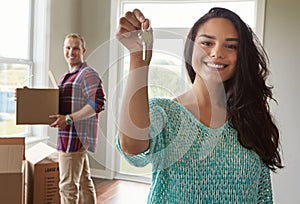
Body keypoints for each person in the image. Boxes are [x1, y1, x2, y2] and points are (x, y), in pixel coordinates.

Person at [115, 8, 283, 203]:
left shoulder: (251, 119)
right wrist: (138, 59)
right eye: (207, 43)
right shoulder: (165, 113)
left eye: (231, 46)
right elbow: (131, 145)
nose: (216, 52)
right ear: (190, 48)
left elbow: (262, 196)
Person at [49, 33, 106, 204]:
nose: (71, 52)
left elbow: (98, 104)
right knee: (83, 181)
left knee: (67, 186)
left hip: (74, 138)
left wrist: (68, 119)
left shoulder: (88, 74)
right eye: (68, 48)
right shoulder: (67, 76)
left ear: (83, 51)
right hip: (69, 137)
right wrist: (28, 97)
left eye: (75, 48)